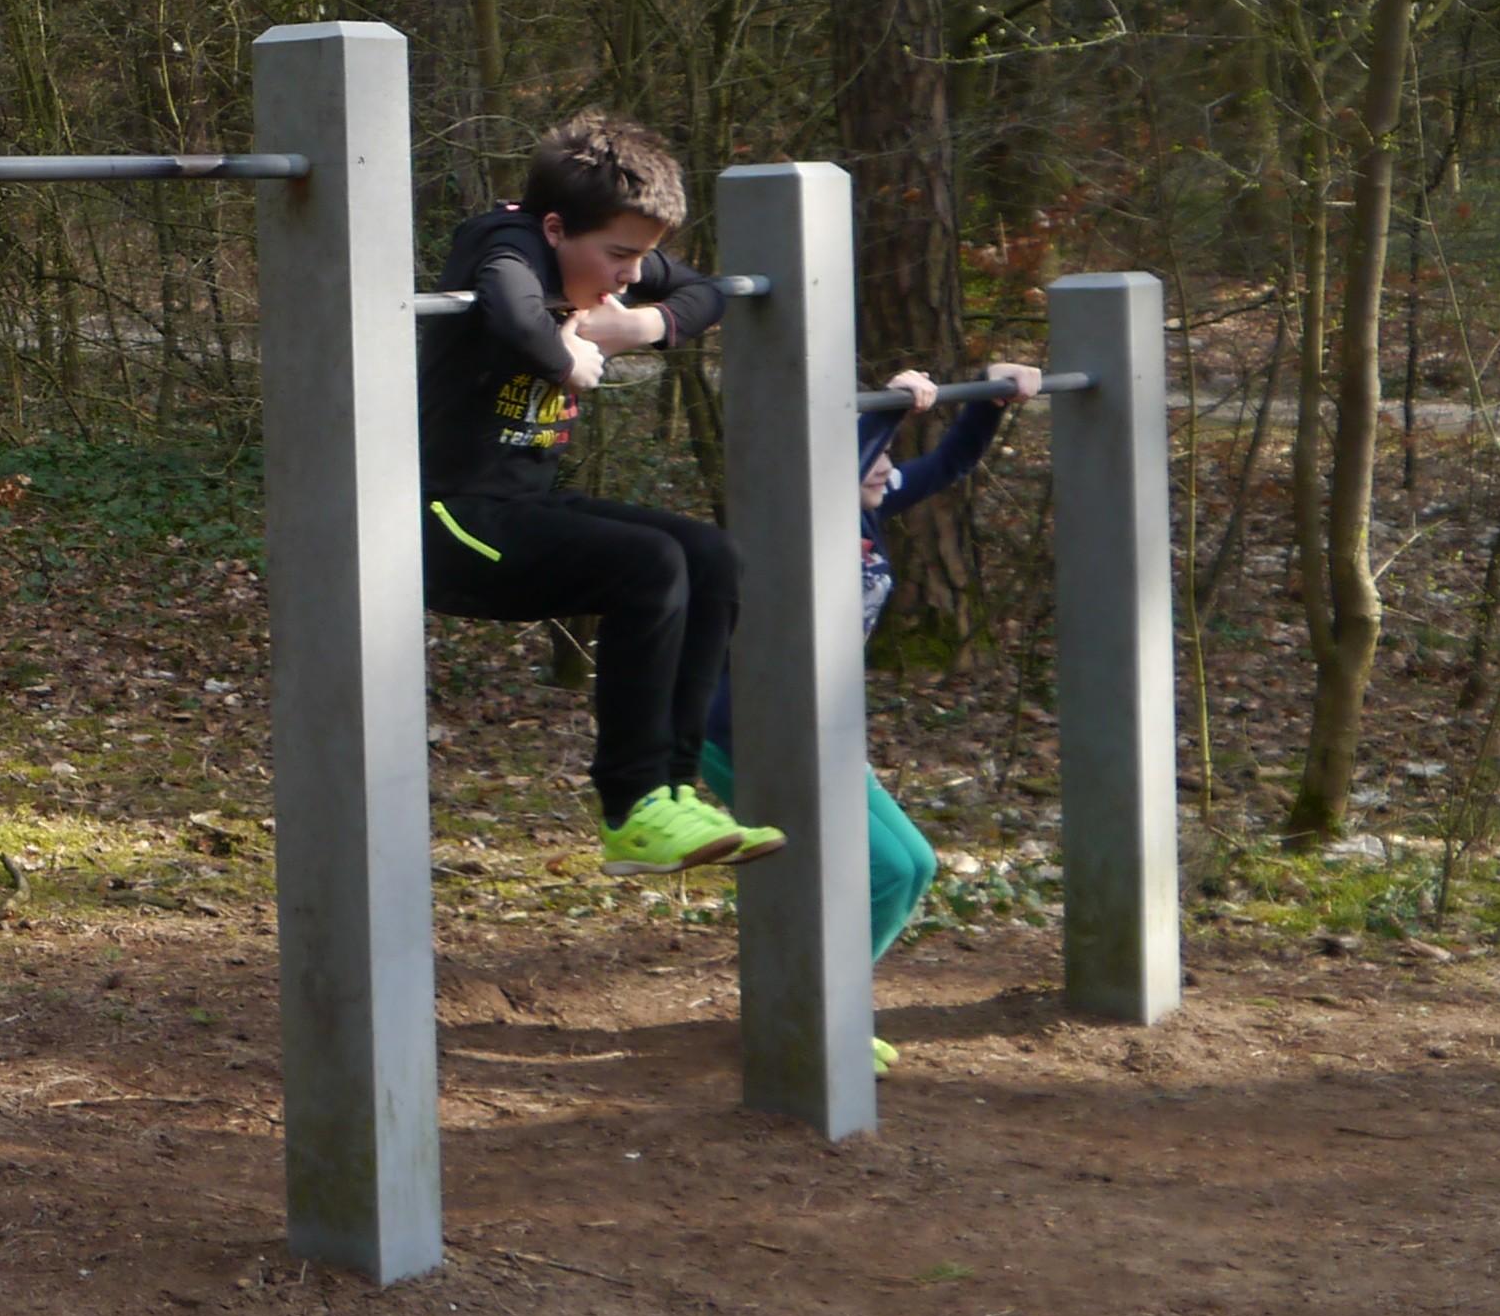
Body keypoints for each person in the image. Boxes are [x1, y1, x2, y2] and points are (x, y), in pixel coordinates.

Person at [416, 114, 784, 874]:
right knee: (645, 565)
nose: (628, 273)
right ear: (557, 228)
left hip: (518, 510)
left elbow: (704, 292)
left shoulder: (597, 255)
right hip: (444, 518)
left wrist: (639, 326)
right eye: (620, 256)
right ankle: (629, 805)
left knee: (709, 555)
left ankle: (670, 794)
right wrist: (569, 358)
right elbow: (510, 309)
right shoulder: (507, 242)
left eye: (640, 256)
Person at [698, 359, 1050, 998]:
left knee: (913, 864)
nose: (888, 467)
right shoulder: (799, 526)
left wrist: (990, 402)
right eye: (876, 455)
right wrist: (886, 409)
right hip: (746, 732)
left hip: (817, 730)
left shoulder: (867, 509)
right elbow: (840, 465)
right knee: (876, 871)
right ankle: (817, 1012)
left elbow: (948, 465)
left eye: (888, 456)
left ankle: (825, 1009)